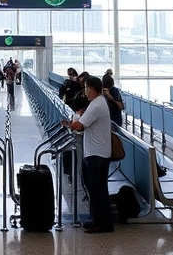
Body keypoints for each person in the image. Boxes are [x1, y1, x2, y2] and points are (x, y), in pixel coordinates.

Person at [62, 76, 113, 233]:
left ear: (92, 89)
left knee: (96, 189)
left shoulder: (96, 106)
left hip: (95, 154)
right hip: (100, 152)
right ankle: (97, 219)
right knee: (98, 188)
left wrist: (69, 124)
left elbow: (80, 125)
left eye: (86, 89)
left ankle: (104, 223)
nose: (85, 92)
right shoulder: (98, 103)